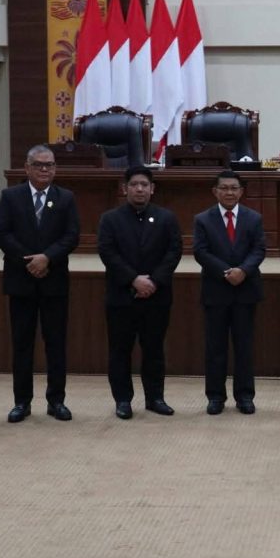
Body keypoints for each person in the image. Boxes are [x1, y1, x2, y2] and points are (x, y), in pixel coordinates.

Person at [0, 145, 80, 423]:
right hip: (21, 281)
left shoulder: (65, 197)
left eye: (50, 165)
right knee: (22, 344)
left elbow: (72, 236)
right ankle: (22, 402)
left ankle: (57, 401)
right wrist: (30, 261)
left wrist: (47, 258)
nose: (45, 169)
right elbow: (2, 233)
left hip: (54, 281)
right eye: (39, 165)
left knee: (56, 344)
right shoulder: (10, 196)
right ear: (27, 167)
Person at [97, 166, 182, 419]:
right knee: (120, 351)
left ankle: (155, 398)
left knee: (154, 349)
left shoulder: (167, 218)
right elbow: (108, 253)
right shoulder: (110, 219)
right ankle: (123, 400)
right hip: (121, 296)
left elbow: (174, 252)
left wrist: (153, 282)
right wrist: (134, 280)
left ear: (152, 189)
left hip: (157, 295)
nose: (140, 189)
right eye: (134, 184)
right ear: (125, 188)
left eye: (144, 185)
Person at [193, 170, 265, 415]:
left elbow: (259, 249)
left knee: (244, 347)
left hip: (246, 290)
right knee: (215, 348)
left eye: (234, 188)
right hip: (216, 291)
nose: (229, 192)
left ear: (241, 191)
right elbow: (201, 252)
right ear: (215, 191)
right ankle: (215, 397)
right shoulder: (202, 219)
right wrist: (226, 272)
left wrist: (243, 271)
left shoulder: (254, 218)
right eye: (224, 188)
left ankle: (245, 396)